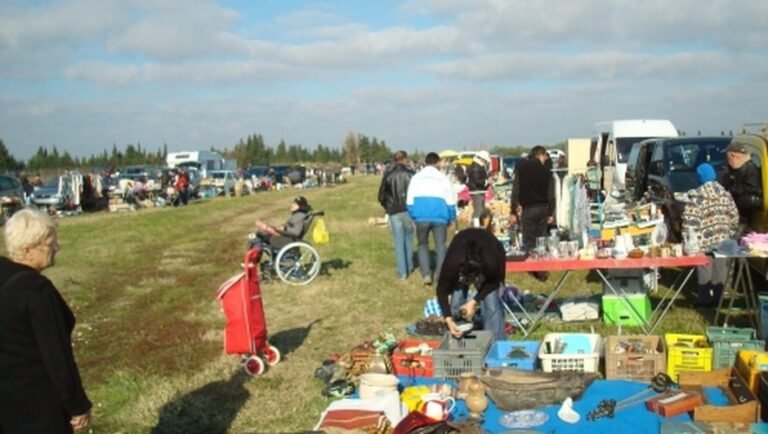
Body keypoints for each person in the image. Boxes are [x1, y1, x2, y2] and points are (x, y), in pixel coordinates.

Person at [0, 209, 92, 433]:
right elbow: (57, 357)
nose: (56, 248)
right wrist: (77, 404)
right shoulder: (37, 292)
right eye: (49, 243)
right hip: (37, 407)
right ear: (27, 250)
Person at [436, 209, 506, 342]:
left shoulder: (491, 261)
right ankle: (459, 336)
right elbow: (441, 290)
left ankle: (496, 344)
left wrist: (474, 301)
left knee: (491, 305)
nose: (472, 281)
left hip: (490, 253)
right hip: (462, 247)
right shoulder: (452, 263)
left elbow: (493, 282)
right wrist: (448, 319)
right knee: (456, 303)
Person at [682, 163, 740, 307]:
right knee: (721, 268)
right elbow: (734, 216)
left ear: (699, 178)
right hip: (723, 239)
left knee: (704, 268)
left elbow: (690, 223)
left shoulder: (696, 198)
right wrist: (730, 232)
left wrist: (687, 240)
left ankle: (704, 298)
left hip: (703, 241)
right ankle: (719, 298)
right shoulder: (725, 195)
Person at [406, 152, 457, 286]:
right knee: (441, 246)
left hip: (421, 216)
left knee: (422, 245)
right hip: (440, 216)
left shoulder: (416, 178)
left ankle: (426, 274)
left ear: (425, 162)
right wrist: (452, 218)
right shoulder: (443, 178)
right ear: (438, 162)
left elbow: (409, 200)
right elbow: (451, 201)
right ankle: (440, 275)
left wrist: (413, 216)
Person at [510, 146, 554, 281]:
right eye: (545, 156)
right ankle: (542, 270)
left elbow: (515, 190)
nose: (545, 159)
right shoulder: (546, 172)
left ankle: (530, 268)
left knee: (528, 241)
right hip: (542, 208)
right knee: (541, 239)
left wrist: (513, 210)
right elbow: (551, 195)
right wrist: (551, 212)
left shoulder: (521, 169)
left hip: (528, 208)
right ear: (540, 155)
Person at [378, 151, 415, 279]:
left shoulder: (388, 175)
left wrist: (387, 207)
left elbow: (381, 195)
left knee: (398, 241)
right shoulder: (411, 174)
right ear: (405, 159)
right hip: (408, 210)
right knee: (409, 239)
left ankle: (402, 272)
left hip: (394, 211)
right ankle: (409, 266)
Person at [721, 141, 762, 232]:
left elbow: (752, 190)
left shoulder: (750, 170)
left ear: (733, 155)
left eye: (728, 157)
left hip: (744, 218)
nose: (727, 160)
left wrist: (731, 190)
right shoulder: (733, 169)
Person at [466, 151, 491, 226]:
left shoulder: (477, 166)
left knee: (480, 209)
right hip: (476, 190)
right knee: (478, 210)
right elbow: (477, 180)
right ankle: (475, 227)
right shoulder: (476, 167)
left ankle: (477, 226)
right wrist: (486, 181)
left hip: (478, 190)